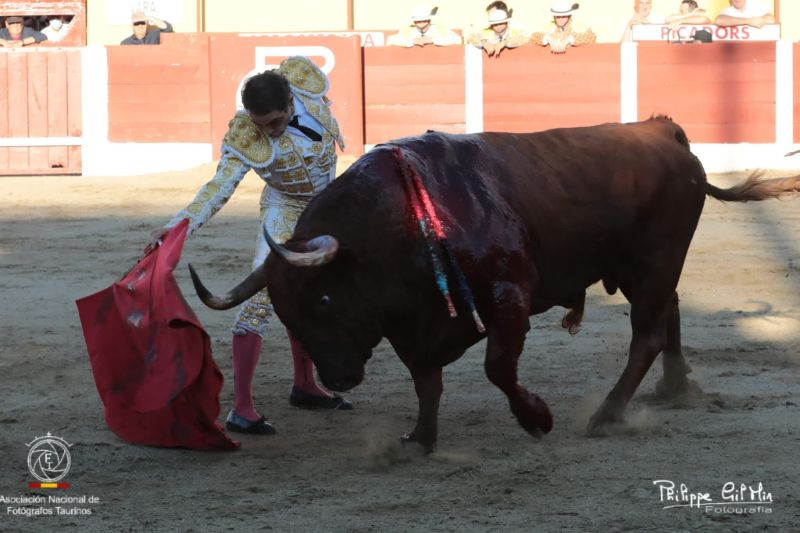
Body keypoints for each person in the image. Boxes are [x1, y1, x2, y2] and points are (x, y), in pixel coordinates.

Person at [147, 57, 352, 435]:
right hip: (286, 211)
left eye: (274, 121)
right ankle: (241, 408)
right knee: (259, 302)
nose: (269, 133)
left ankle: (305, 385)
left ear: (292, 100)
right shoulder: (246, 134)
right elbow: (219, 186)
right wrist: (180, 225)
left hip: (328, 207)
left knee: (312, 298)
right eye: (261, 125)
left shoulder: (305, 82)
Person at [530, 2, 596, 54]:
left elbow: (592, 36)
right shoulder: (549, 25)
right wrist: (547, 38)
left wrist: (570, 39)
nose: (561, 20)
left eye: (564, 16)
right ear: (554, 17)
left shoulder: (577, 25)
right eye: (558, 17)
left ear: (569, 16)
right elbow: (533, 37)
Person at [386, 5, 462, 47]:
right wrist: (412, 41)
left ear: (429, 21)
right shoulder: (408, 30)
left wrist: (432, 40)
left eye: (424, 20)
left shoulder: (439, 29)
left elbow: (457, 40)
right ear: (414, 21)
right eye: (418, 21)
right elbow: (391, 40)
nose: (421, 22)